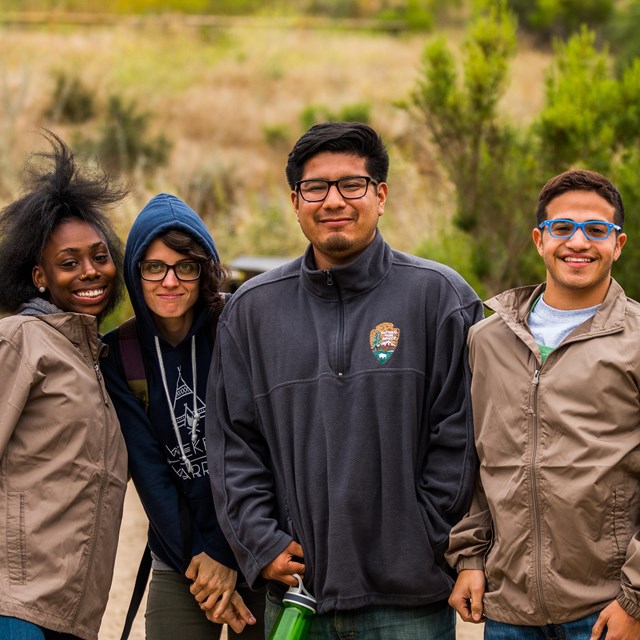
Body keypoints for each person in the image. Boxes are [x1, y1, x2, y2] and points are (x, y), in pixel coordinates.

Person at [206, 121, 483, 639]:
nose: (334, 200)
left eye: (351, 184)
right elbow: (232, 444)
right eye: (316, 187)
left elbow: (462, 438)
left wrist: (422, 538)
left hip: (408, 604)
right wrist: (260, 542)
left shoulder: (440, 298)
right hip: (297, 598)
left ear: (381, 196)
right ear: (295, 200)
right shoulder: (252, 312)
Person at [447, 169, 640, 640]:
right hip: (509, 611)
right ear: (539, 239)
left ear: (619, 244)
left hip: (606, 609)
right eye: (562, 228)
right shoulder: (487, 339)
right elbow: (477, 460)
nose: (579, 242)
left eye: (597, 230)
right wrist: (470, 557)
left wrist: (635, 598)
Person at [100, 193, 264, 639]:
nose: (169, 280)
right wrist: (203, 562)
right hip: (182, 555)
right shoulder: (120, 354)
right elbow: (150, 473)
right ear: (135, 272)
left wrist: (228, 554)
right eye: (154, 266)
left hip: (260, 543)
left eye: (184, 266)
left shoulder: (237, 327)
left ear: (204, 268)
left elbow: (264, 449)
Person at [0, 131, 128, 640]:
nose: (90, 272)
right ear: (39, 277)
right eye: (68, 262)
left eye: (99, 256)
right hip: (16, 607)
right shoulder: (20, 340)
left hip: (74, 614)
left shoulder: (95, 358)